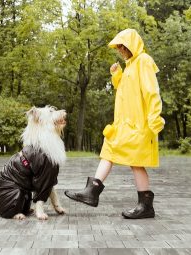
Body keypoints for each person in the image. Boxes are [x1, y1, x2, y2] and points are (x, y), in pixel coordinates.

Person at [64, 28, 165, 219]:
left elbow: (152, 92)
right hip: (123, 124)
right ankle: (91, 192)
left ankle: (145, 206)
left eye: (122, 46)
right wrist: (117, 75)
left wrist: (154, 117)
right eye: (118, 47)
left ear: (131, 45)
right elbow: (126, 90)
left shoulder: (143, 61)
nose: (119, 50)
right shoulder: (130, 66)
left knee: (136, 163)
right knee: (108, 151)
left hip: (139, 125)